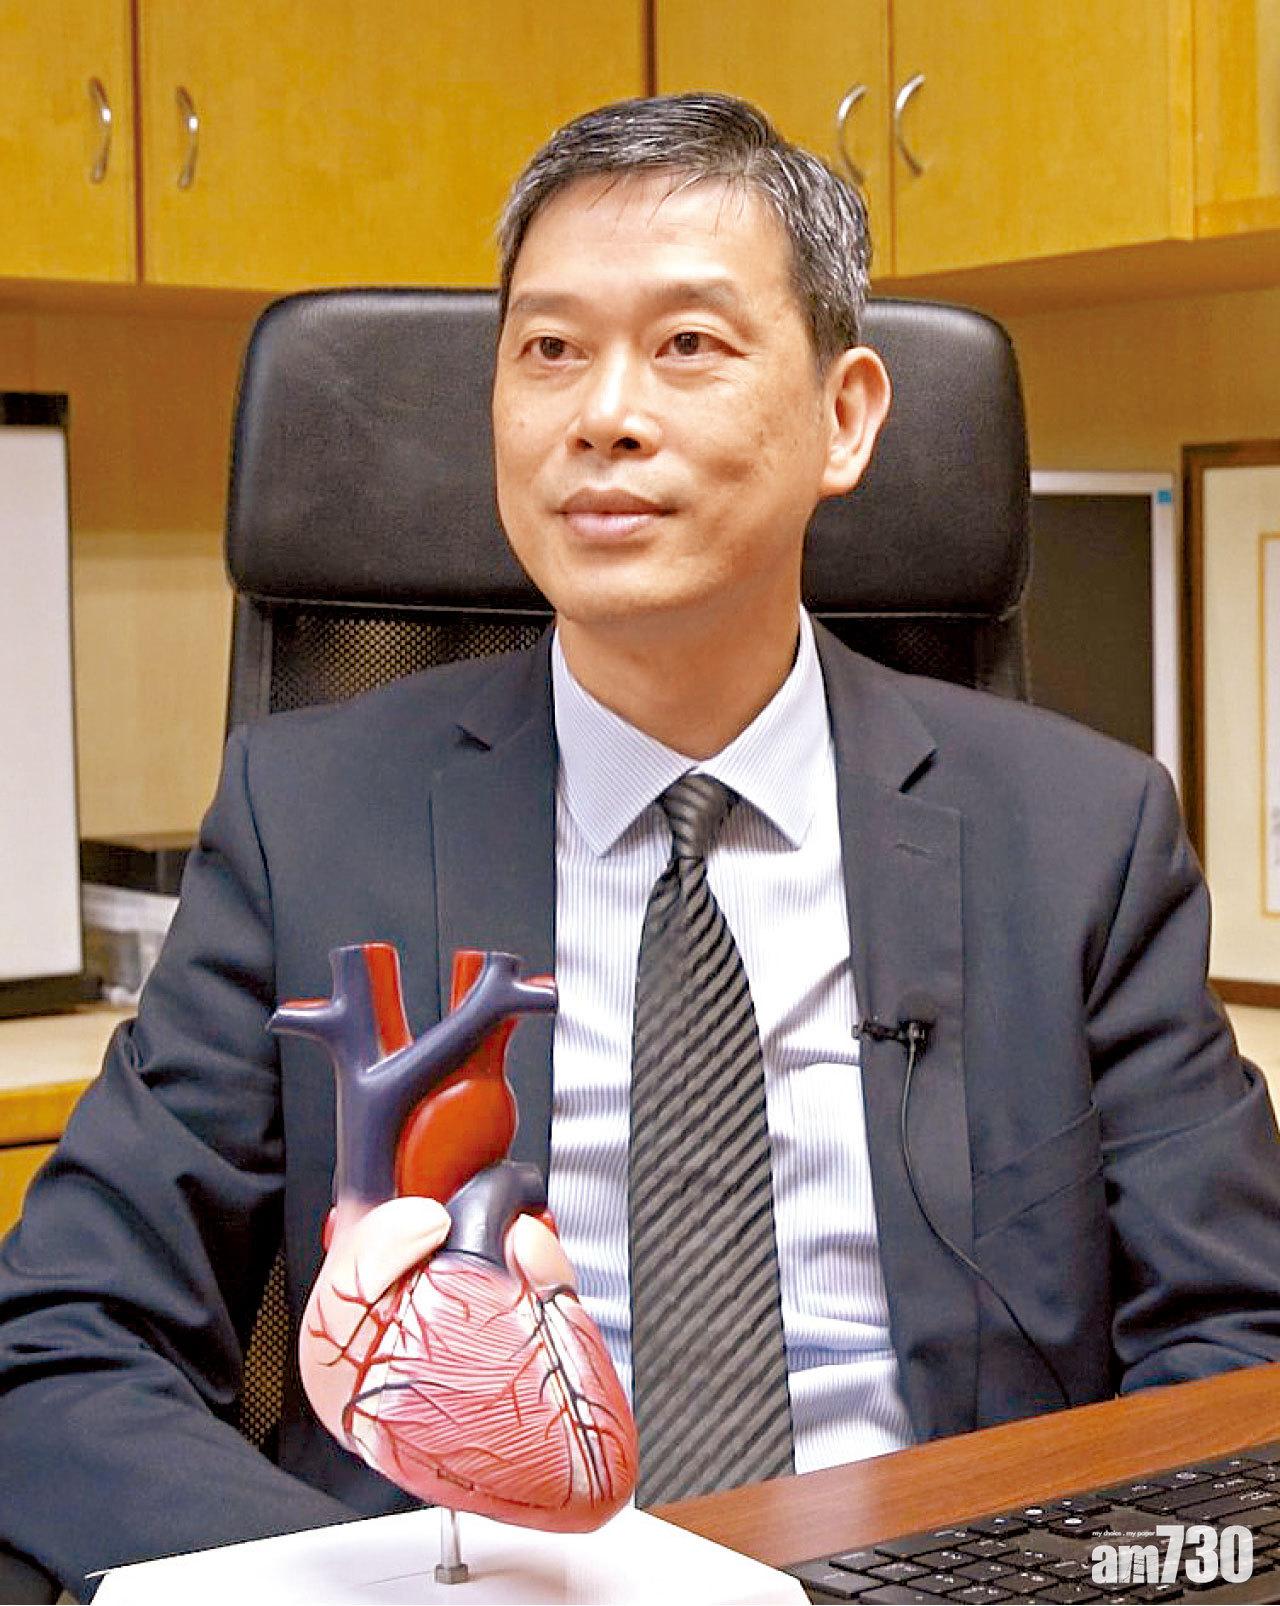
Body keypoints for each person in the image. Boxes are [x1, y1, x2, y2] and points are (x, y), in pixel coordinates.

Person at [4, 92, 1280, 1598]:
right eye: (549, 349)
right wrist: (357, 1587)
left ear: (846, 417)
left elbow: (1239, 1345)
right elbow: (64, 1345)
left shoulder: (1079, 837)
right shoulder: (311, 820)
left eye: (688, 344)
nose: (602, 413)